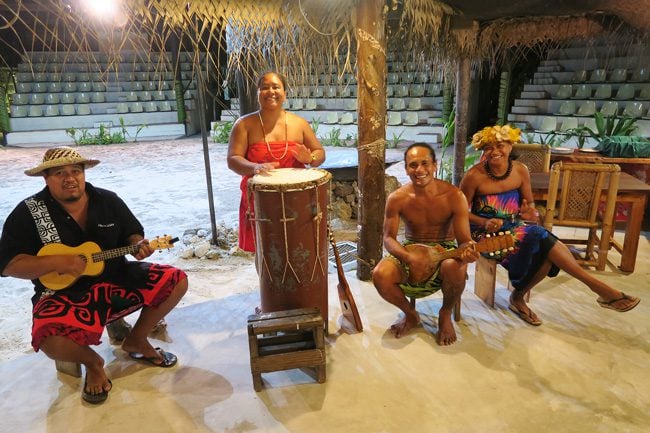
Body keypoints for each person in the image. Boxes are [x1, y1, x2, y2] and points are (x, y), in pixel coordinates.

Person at [0, 147, 188, 404]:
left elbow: (132, 233)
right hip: (63, 292)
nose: (70, 178)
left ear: (83, 173)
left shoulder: (107, 200)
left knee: (176, 280)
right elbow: (10, 264)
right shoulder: (29, 212)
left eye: (76, 171)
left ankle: (136, 340)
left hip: (116, 278)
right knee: (47, 337)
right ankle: (93, 362)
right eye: (59, 173)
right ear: (45, 178)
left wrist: (138, 245)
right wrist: (56, 261)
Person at [459, 124, 640, 325]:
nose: (495, 152)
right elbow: (460, 213)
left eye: (500, 145)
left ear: (511, 145)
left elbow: (530, 206)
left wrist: (531, 211)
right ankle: (598, 288)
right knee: (540, 236)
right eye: (489, 147)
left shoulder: (521, 171)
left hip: (514, 228)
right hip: (486, 235)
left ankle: (518, 297)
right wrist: (484, 222)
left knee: (546, 252)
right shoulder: (473, 176)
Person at [372, 143, 479, 345]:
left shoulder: (454, 196)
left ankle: (445, 313)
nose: (419, 170)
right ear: (405, 169)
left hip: (444, 248)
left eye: (424, 163)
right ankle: (410, 314)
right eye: (413, 165)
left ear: (434, 165)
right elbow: (388, 237)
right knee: (380, 274)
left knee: (454, 266)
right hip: (411, 248)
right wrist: (407, 256)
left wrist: (468, 251)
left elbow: (464, 240)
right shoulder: (397, 198)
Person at [227, 71, 325, 252]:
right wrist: (255, 167)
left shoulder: (299, 123)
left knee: (297, 246)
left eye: (276, 87)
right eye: (264, 88)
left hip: (296, 198)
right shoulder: (244, 125)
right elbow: (233, 160)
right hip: (259, 198)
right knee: (264, 251)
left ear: (285, 93)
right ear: (257, 93)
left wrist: (310, 158)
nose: (270, 91)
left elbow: (320, 153)